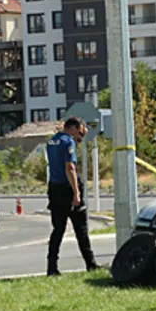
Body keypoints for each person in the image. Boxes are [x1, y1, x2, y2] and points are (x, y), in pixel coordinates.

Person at [46, 117, 99, 276]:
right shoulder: (68, 142)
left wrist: (78, 139)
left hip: (54, 188)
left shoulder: (51, 141)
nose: (82, 133)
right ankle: (91, 264)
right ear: (74, 128)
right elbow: (70, 167)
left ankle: (52, 267)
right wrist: (76, 193)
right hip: (67, 188)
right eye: (81, 130)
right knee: (81, 229)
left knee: (58, 230)